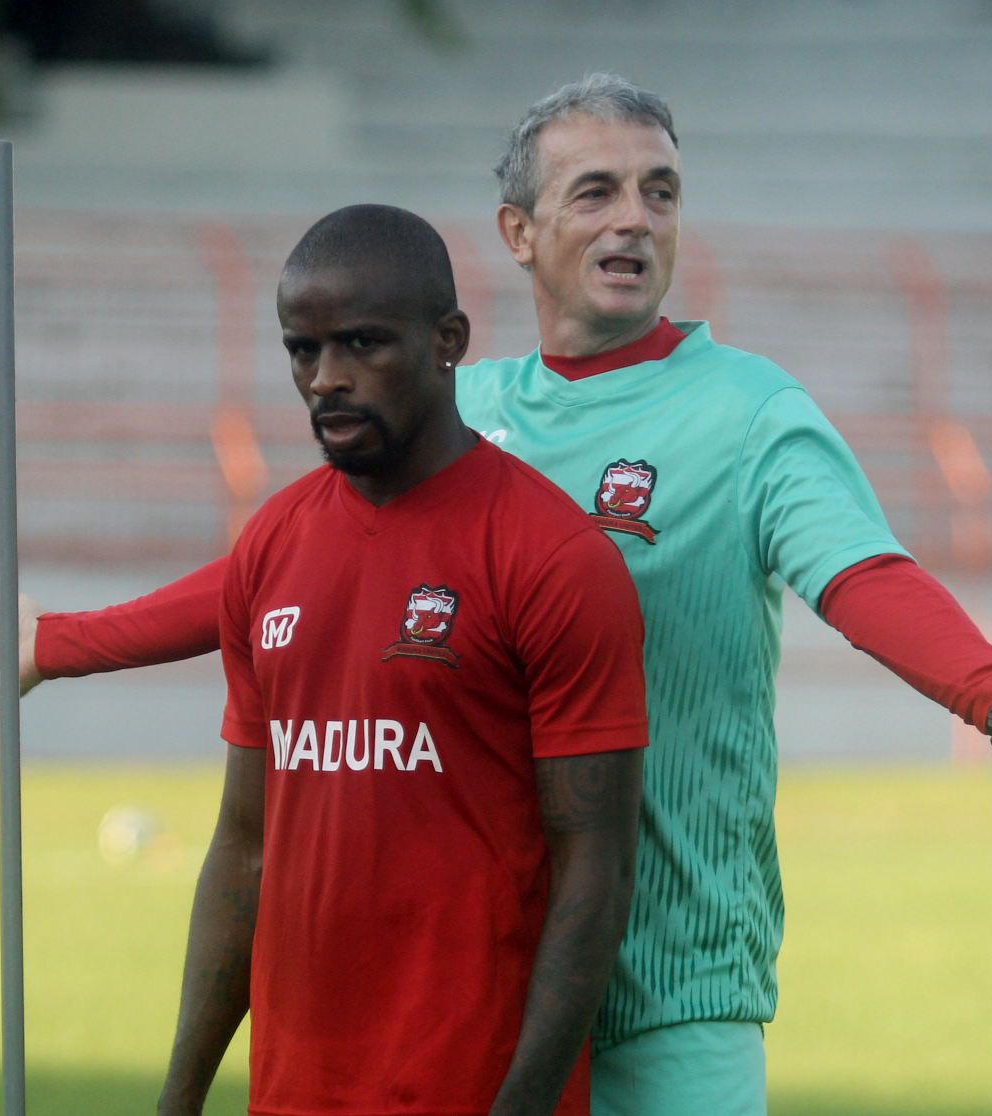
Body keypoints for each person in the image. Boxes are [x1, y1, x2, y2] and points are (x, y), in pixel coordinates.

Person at [0, 77, 992, 1115]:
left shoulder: (745, 414)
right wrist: (61, 642)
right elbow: (284, 578)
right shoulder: (458, 409)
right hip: (481, 988)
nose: (632, 218)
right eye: (594, 190)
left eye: (660, 191)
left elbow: (862, 574)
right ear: (518, 233)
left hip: (673, 969)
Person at [157, 205, 649, 1116]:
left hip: (466, 1086)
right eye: (302, 352)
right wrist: (179, 1098)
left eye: (362, 345)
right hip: (294, 1093)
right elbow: (245, 847)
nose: (327, 380)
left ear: (447, 341)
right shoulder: (270, 546)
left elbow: (597, 866)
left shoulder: (554, 558)